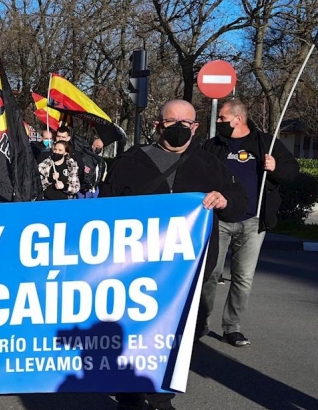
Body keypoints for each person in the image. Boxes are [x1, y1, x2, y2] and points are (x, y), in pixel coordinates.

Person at [100, 99, 247, 410]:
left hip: (189, 273)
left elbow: (239, 199)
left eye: (186, 123)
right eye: (172, 122)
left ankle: (160, 393)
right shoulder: (129, 162)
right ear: (158, 124)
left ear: (195, 127)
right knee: (133, 331)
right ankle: (131, 393)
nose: (180, 128)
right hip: (135, 269)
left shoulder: (210, 165)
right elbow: (104, 209)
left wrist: (225, 199)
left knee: (178, 332)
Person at [201, 99, 298, 347]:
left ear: (238, 119)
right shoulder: (213, 146)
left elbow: (292, 171)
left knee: (243, 277)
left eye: (222, 118)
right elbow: (197, 174)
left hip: (253, 221)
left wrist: (275, 167)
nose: (218, 122)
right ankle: (200, 323)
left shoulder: (266, 143)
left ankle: (232, 328)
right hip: (218, 220)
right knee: (210, 274)